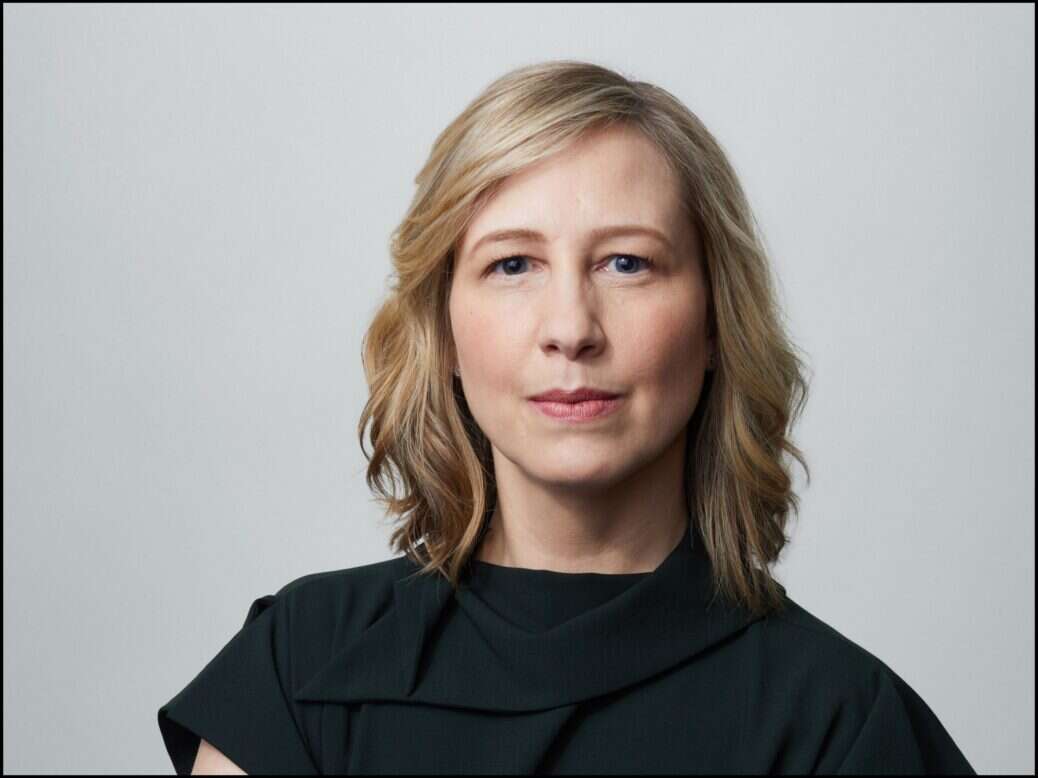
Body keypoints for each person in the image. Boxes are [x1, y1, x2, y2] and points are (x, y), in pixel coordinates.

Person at [157, 60, 976, 775]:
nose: (571, 328)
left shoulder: (845, 723)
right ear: (442, 329)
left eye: (627, 263)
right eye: (513, 264)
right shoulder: (300, 666)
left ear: (717, 323)